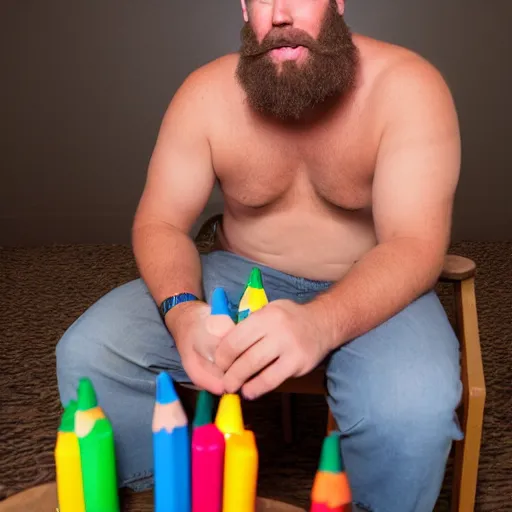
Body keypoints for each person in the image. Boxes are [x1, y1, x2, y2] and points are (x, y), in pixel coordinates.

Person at [56, 1, 464, 510]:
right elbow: (160, 222)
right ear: (246, 8)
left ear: (338, 1)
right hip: (241, 272)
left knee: (414, 409)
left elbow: (415, 243)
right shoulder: (204, 94)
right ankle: (162, 494)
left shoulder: (408, 86)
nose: (281, 13)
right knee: (91, 352)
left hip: (372, 285)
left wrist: (320, 323)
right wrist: (183, 312)